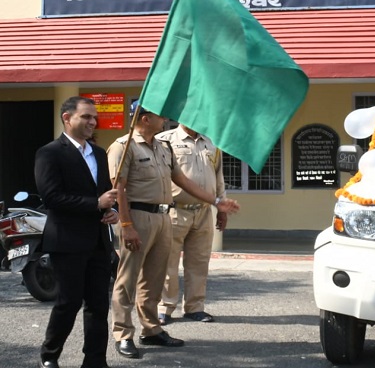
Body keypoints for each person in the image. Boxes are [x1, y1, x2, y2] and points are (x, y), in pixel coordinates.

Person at [107, 101, 239, 359]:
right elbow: (119, 189)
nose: (165, 118)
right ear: (144, 119)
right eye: (159, 115)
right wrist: (125, 225)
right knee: (127, 280)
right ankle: (123, 334)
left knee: (154, 278)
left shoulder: (162, 146)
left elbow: (182, 180)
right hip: (137, 217)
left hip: (163, 217)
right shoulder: (123, 147)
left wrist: (215, 201)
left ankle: (151, 329)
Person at [35, 96, 119, 368]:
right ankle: (50, 356)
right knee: (68, 303)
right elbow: (52, 198)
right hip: (67, 241)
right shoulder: (50, 153)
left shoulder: (98, 153)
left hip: (98, 241)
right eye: (86, 117)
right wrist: (95, 204)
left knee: (98, 305)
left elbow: (105, 194)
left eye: (94, 117)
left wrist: (111, 210)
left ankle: (95, 361)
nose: (92, 122)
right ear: (67, 118)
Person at [156, 124, 227, 324]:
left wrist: (221, 206)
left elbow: (218, 176)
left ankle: (195, 307)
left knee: (199, 262)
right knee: (167, 263)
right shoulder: (164, 140)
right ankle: (164, 308)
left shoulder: (211, 142)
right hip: (174, 210)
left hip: (204, 211)